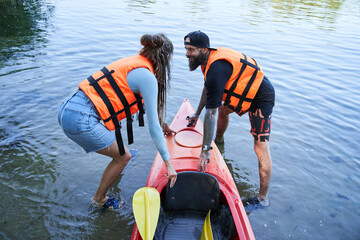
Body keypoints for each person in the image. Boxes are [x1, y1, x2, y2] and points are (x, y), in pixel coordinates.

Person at [58, 33, 177, 211]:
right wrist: (169, 164)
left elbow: (152, 111)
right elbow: (153, 128)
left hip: (66, 108)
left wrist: (164, 125)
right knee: (124, 157)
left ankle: (119, 157)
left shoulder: (132, 62)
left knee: (121, 150)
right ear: (166, 57)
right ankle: (99, 199)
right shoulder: (148, 77)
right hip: (81, 119)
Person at [184, 30, 275, 207]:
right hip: (242, 94)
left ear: (204, 49)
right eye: (186, 49)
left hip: (261, 97)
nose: (187, 54)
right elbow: (208, 89)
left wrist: (204, 149)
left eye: (191, 49)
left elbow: (211, 114)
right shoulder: (207, 62)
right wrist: (196, 113)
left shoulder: (217, 68)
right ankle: (219, 141)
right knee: (223, 110)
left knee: (260, 146)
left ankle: (263, 198)